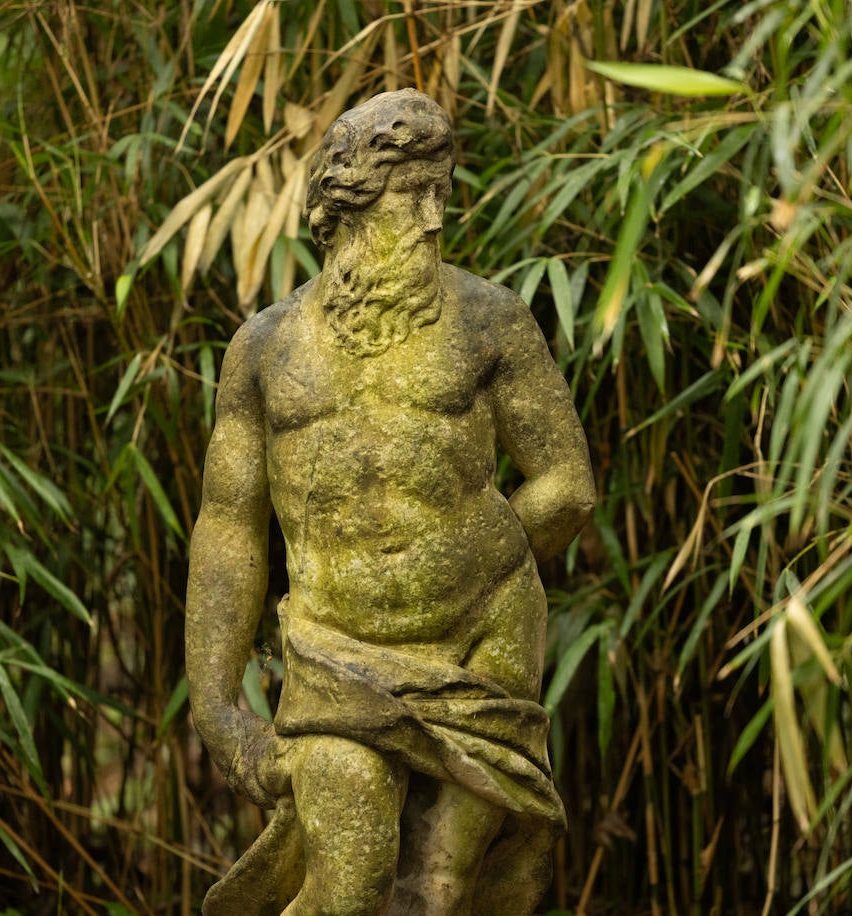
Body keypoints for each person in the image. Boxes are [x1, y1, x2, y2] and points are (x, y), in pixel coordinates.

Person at [184, 88, 594, 916]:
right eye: (416, 194)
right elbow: (230, 530)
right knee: (348, 886)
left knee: (437, 893)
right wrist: (216, 703)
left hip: (481, 640)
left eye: (444, 191)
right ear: (348, 198)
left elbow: (569, 487)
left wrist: (466, 558)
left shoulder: (490, 320)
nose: (437, 217)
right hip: (335, 653)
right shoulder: (263, 349)